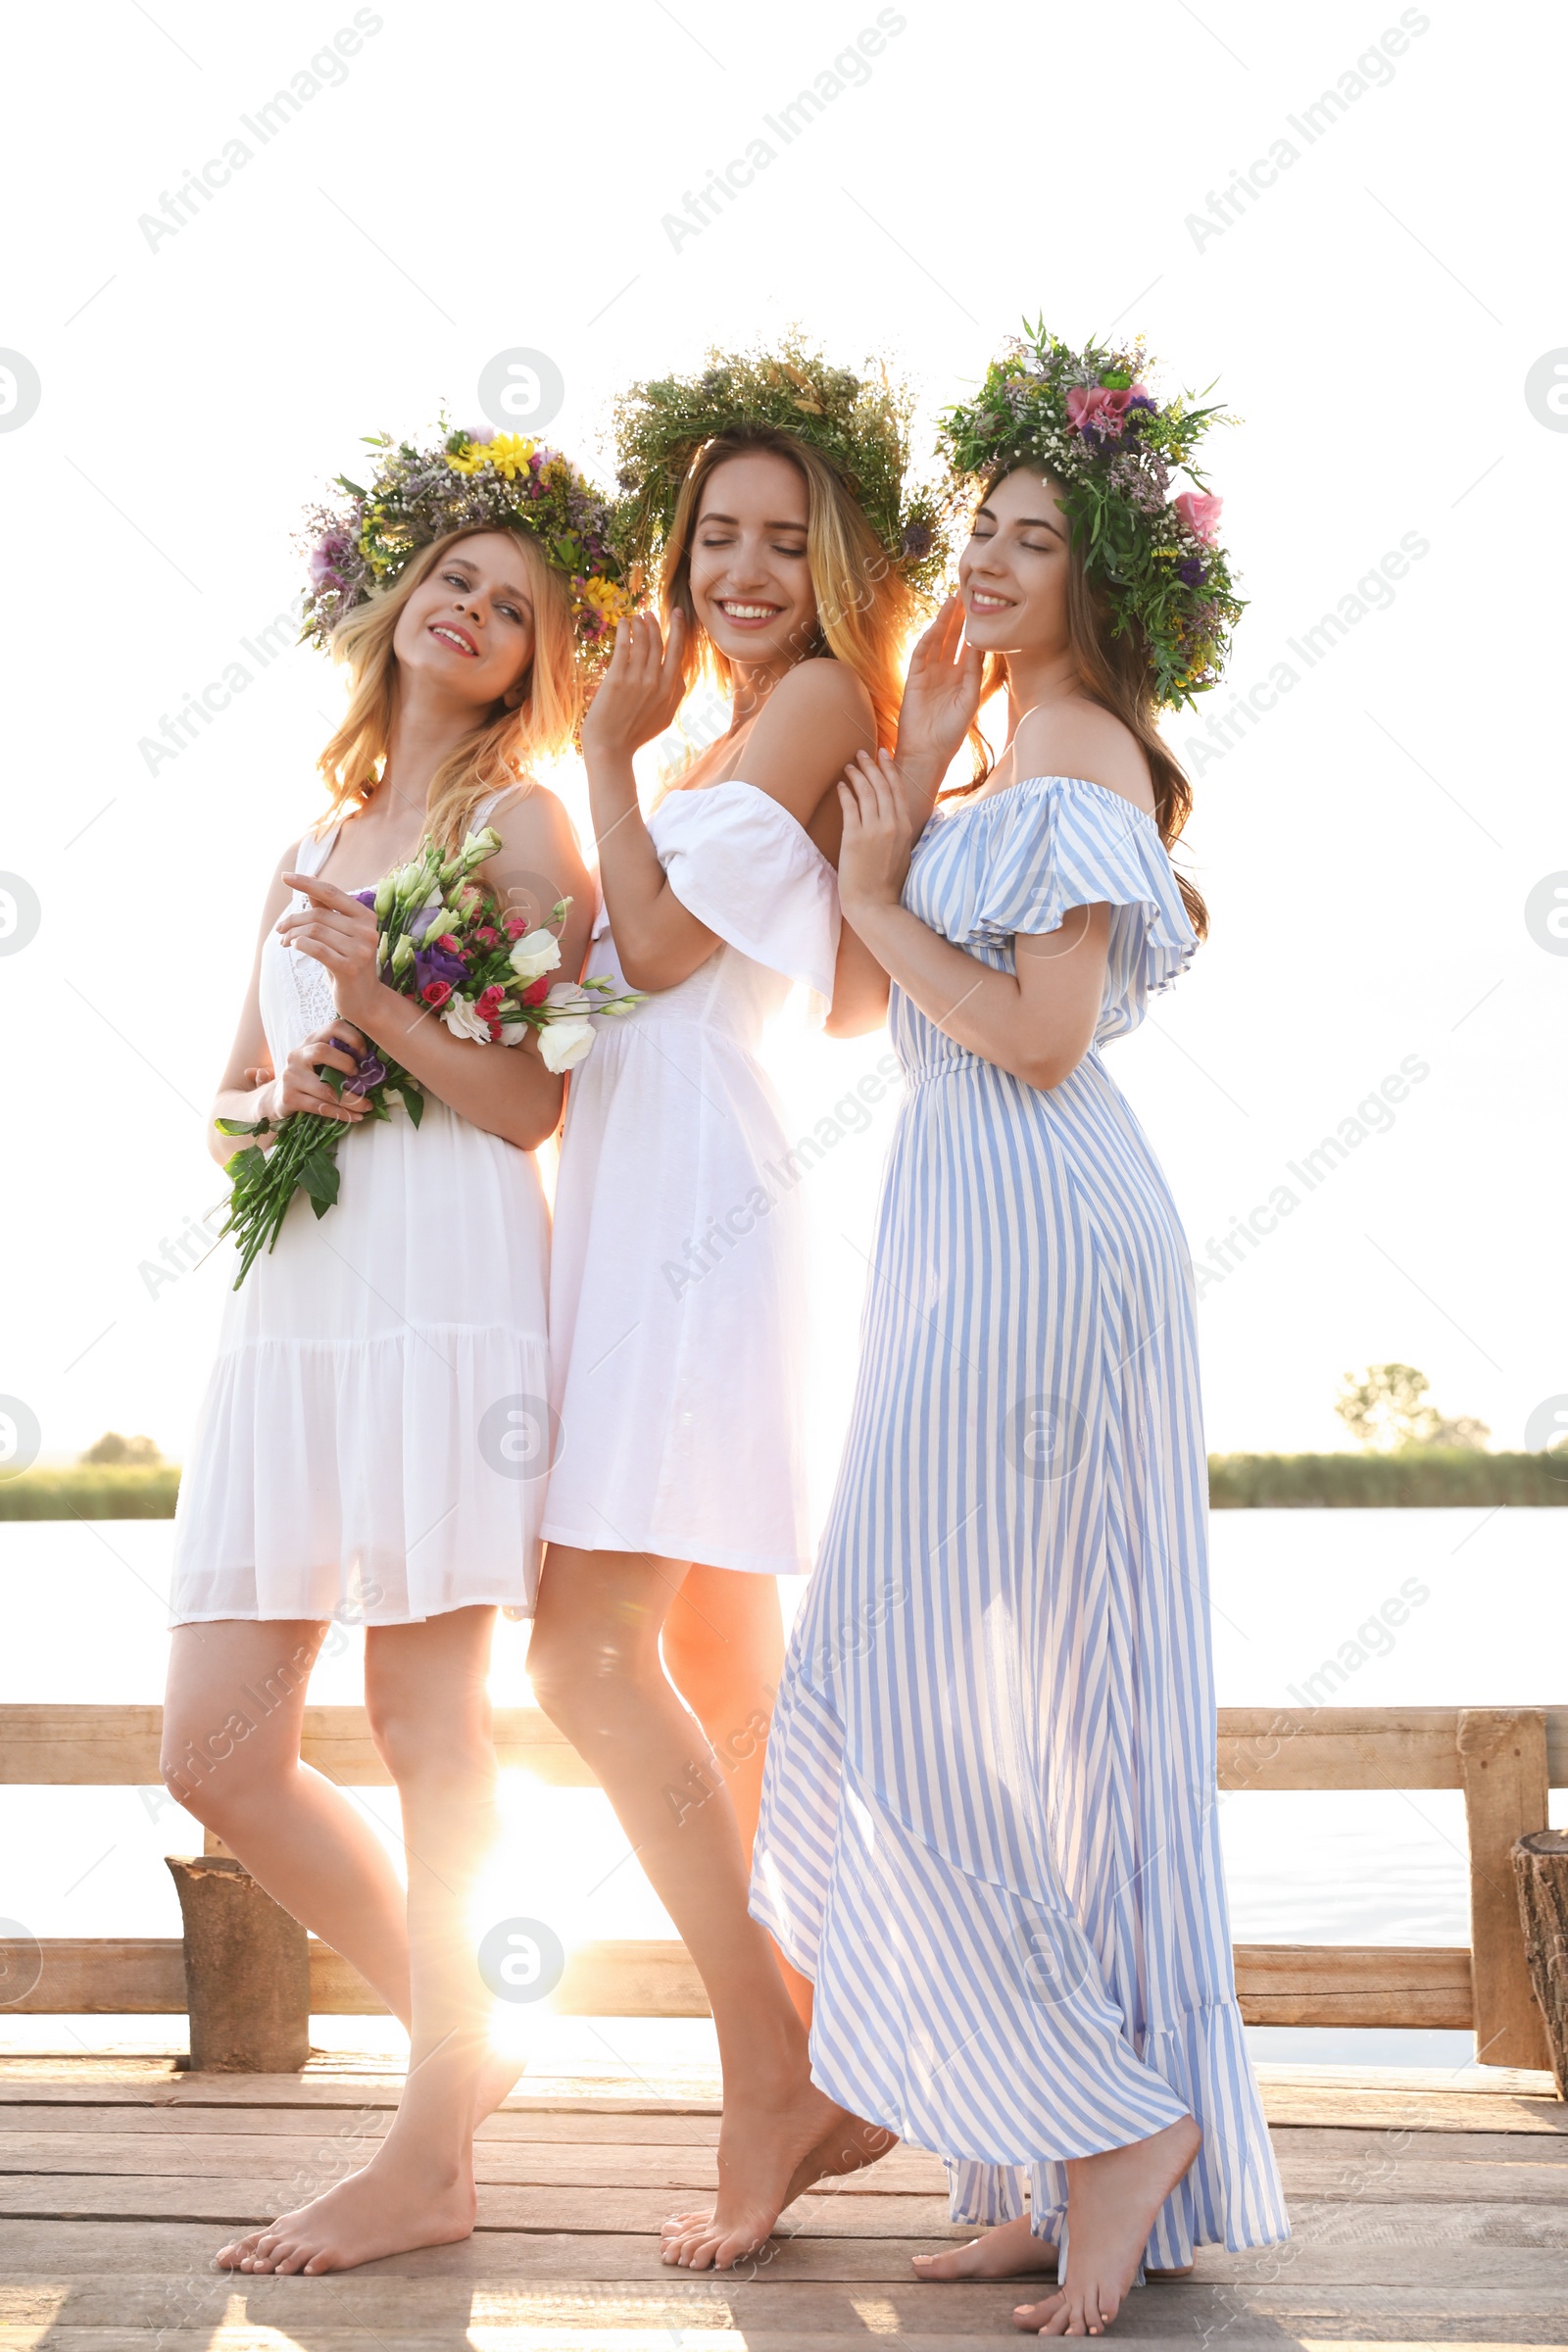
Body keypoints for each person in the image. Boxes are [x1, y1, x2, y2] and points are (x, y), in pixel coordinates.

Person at [668, 327, 1290, 2330]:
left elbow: (1025, 1040)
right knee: (1019, 1704)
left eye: (1032, 539)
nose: (990, 562)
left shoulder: (1089, 750)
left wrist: (876, 878)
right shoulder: (1007, 753)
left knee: (897, 1662)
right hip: (967, 1228)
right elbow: (874, 1012)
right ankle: (1049, 2148)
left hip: (1036, 1228)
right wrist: (911, 780)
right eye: (981, 531)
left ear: (1097, 578)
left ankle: (1110, 2129)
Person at [161, 424, 629, 2275]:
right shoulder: (308, 837)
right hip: (297, 1297)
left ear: (535, 659)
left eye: (514, 608)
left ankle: (429, 2152)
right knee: (216, 1744)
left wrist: (381, 1011)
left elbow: (536, 1100)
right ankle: (473, 2037)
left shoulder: (529, 828)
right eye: (456, 577)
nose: (474, 610)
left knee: (428, 1718)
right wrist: (284, 1091)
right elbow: (221, 1096)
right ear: (399, 596)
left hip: (444, 1276)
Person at [526, 345, 944, 2248]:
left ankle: (771, 2078)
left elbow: (653, 944)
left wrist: (596, 760)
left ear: (836, 557)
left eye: (784, 538)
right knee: (722, 1679)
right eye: (716, 534)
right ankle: (844, 2054)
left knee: (579, 1658)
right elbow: (811, 981)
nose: (743, 567)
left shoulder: (803, 703)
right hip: (659, 1181)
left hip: (690, 1198)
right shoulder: (744, 731)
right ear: (674, 548)